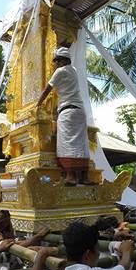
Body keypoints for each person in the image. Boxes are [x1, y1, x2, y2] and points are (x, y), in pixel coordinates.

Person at [36, 46, 91, 186]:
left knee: (67, 142)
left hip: (67, 112)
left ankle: (70, 176)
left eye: (57, 61)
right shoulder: (74, 71)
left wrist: (37, 105)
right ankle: (83, 177)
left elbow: (46, 90)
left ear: (62, 61)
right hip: (80, 111)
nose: (56, 64)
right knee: (81, 144)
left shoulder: (59, 72)